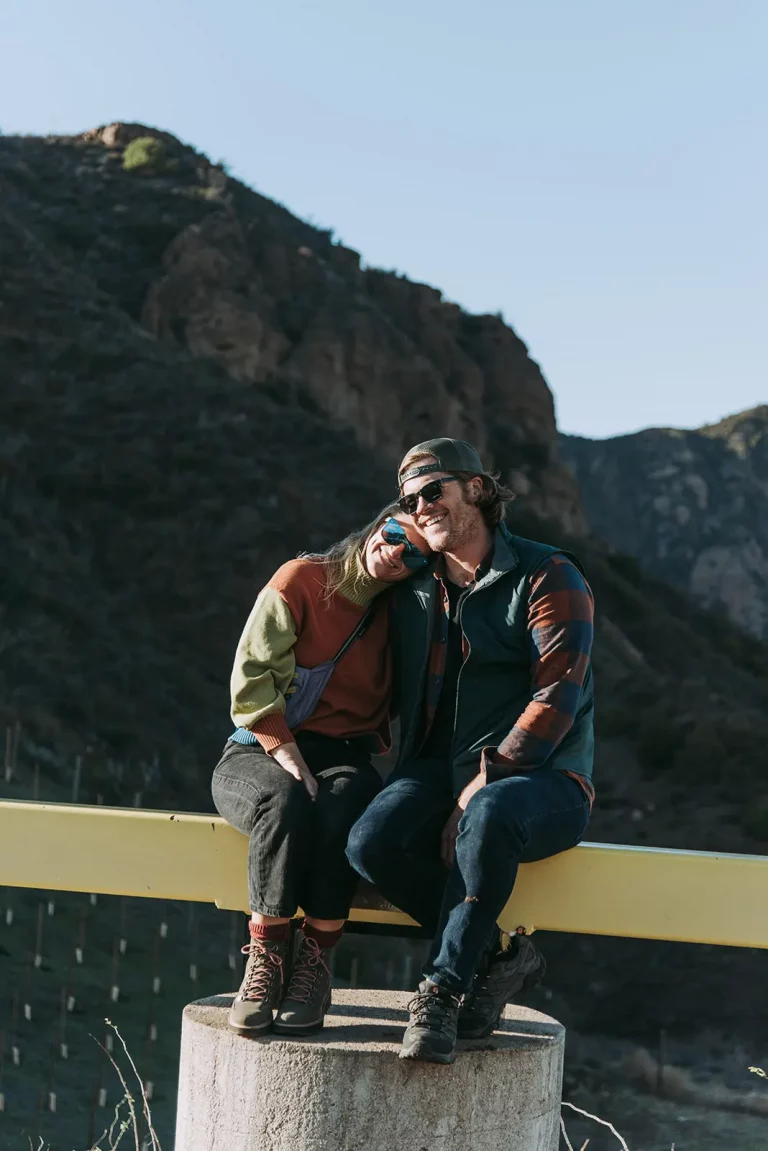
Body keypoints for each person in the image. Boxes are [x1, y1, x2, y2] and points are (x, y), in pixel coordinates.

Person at [346, 438, 595, 1064]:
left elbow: (557, 695)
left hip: (546, 777)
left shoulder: (548, 575)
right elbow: (330, 590)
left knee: (488, 815)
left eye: (434, 490)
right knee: (369, 842)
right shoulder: (414, 586)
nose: (421, 505)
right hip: (434, 768)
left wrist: (488, 778)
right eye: (408, 499)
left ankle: (441, 991)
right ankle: (502, 958)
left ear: (478, 490)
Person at [213, 507, 429, 1036]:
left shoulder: (405, 616)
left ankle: (314, 965)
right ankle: (265, 961)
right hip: (257, 748)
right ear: (379, 525)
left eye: (416, 552)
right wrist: (285, 751)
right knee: (284, 798)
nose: (398, 551)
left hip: (344, 754)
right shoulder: (302, 579)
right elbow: (251, 678)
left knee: (348, 800)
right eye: (396, 533)